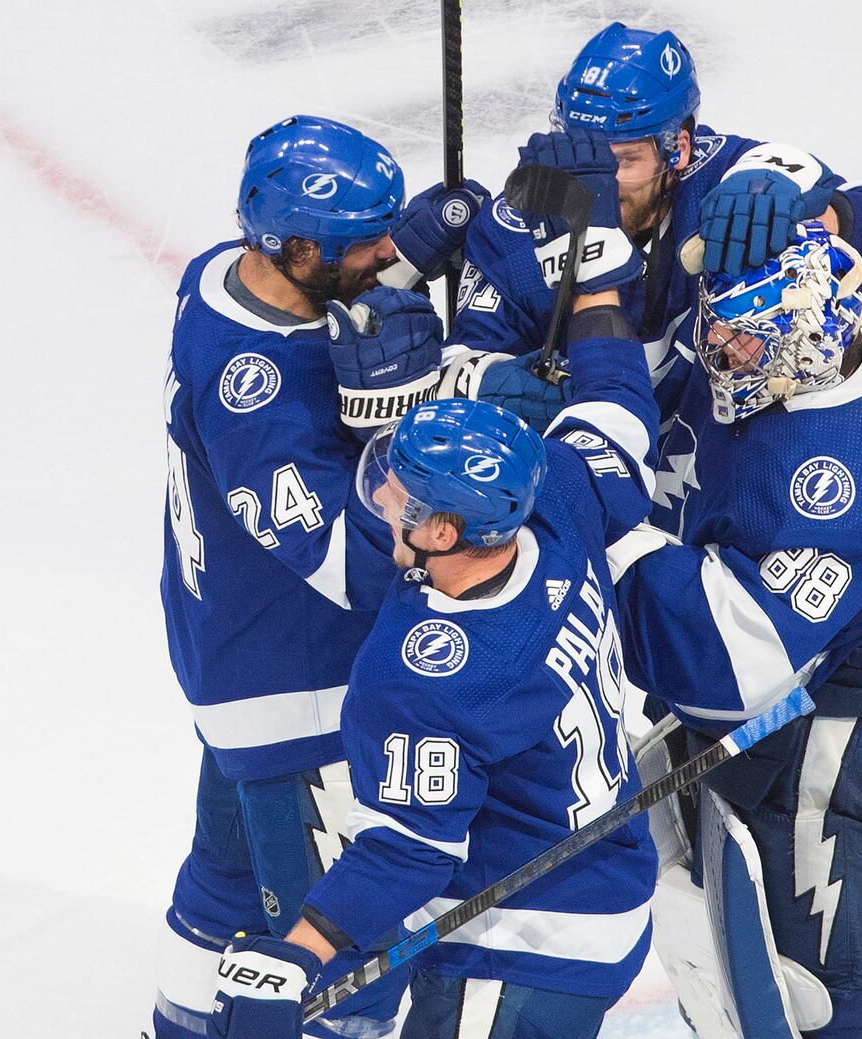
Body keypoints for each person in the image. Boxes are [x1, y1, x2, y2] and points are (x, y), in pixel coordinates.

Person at [205, 131, 672, 1039]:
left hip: (518, 940)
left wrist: (297, 952)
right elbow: (615, 395)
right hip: (608, 892)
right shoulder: (563, 500)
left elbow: (408, 852)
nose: (383, 497)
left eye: (402, 497)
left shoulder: (423, 668)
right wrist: (603, 254)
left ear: (446, 531)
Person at [607, 222, 862, 1039]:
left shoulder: (829, 485)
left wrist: (604, 531)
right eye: (717, 319)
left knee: (817, 976)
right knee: (726, 925)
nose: (717, 347)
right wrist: (811, 201)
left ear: (809, 339)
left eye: (747, 340)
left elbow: (726, 664)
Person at [153, 113, 483, 1039]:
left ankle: (178, 1025)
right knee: (341, 973)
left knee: (222, 891)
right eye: (364, 242)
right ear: (295, 248)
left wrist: (415, 245)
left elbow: (337, 305)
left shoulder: (222, 272)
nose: (385, 250)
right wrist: (400, 418)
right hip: (297, 700)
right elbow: (356, 567)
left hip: (231, 658)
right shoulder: (251, 389)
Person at [441, 21, 862, 426]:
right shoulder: (512, 227)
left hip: (726, 450)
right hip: (598, 479)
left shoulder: (732, 179)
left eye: (625, 161)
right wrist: (492, 381)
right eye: (584, 159)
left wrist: (831, 214)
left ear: (680, 148)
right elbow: (455, 367)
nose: (602, 186)